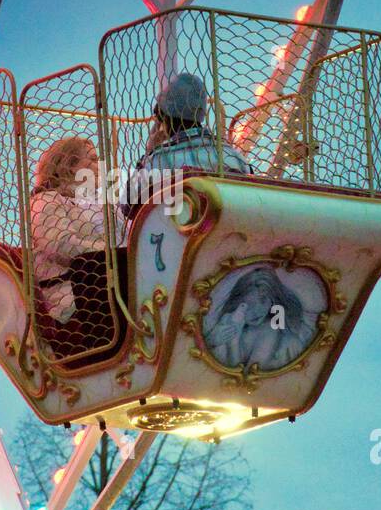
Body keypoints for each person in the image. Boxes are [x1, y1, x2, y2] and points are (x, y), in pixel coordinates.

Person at [122, 71, 252, 218]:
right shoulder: (235, 157)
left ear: (164, 118)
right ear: (201, 113)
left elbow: (127, 206)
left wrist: (149, 152)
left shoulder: (159, 161)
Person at [29, 136, 108, 329]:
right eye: (92, 160)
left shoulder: (99, 205)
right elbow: (60, 245)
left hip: (104, 287)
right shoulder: (47, 200)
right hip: (74, 298)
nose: (100, 167)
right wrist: (111, 252)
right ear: (70, 166)